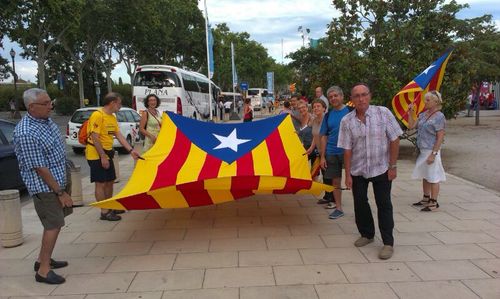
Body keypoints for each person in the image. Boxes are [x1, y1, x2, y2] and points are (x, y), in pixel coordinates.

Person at [13, 88, 73, 284]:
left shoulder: (45, 121)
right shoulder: (26, 132)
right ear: (31, 107)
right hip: (47, 188)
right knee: (53, 226)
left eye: (50, 102)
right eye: (46, 103)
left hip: (59, 179)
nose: (51, 106)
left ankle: (42, 260)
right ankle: (43, 271)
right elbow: (41, 169)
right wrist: (60, 192)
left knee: (56, 224)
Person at [338, 83, 403, 260]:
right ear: (351, 100)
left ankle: (388, 243)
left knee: (384, 204)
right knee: (360, 202)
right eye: (356, 96)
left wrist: (393, 165)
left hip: (381, 167)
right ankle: (367, 234)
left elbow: (395, 139)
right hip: (359, 169)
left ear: (370, 96)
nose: (361, 99)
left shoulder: (383, 113)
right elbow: (347, 149)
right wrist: (348, 174)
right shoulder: (347, 121)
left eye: (364, 94)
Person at [86, 92, 140, 221]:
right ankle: (104, 212)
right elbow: (95, 137)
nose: (120, 106)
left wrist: (131, 150)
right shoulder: (98, 115)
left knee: (110, 181)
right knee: (100, 183)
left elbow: (119, 135)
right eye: (119, 103)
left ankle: (109, 205)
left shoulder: (112, 117)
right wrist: (103, 156)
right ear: (112, 103)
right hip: (96, 154)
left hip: (108, 152)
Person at [408, 91, 446, 212]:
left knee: (433, 176)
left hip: (431, 150)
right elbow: (411, 126)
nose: (425, 102)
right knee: (425, 175)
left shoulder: (439, 116)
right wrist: (411, 112)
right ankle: (426, 198)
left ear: (436, 102)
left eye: (428, 100)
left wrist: (434, 154)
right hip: (423, 150)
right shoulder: (424, 115)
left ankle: (433, 202)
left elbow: (440, 136)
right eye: (425, 99)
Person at [319, 86, 350, 219]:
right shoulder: (328, 115)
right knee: (335, 182)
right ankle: (338, 208)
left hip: (350, 152)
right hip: (332, 152)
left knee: (356, 181)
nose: (333, 98)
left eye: (335, 95)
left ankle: (361, 206)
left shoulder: (351, 112)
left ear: (342, 96)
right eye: (330, 97)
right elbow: (324, 136)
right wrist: (322, 157)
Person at [307, 99, 327, 181]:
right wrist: (311, 148)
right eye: (314, 107)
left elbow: (325, 138)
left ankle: (330, 193)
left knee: (327, 177)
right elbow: (316, 136)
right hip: (319, 152)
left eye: (318, 106)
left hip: (327, 153)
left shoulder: (327, 120)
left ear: (324, 108)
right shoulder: (314, 120)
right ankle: (328, 193)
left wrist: (323, 157)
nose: (316, 108)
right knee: (324, 175)